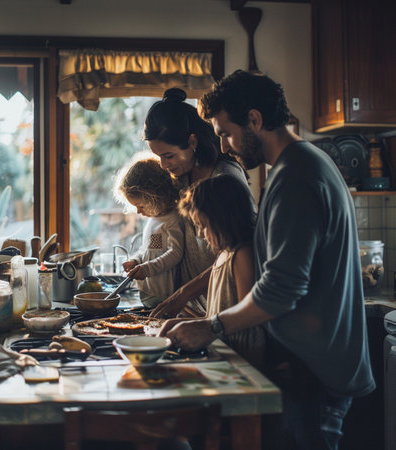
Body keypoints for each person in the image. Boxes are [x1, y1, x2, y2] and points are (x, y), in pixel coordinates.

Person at [159, 70, 375, 449]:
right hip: (312, 366)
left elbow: (280, 290)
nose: (224, 146)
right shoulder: (302, 164)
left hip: (315, 373)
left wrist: (212, 326)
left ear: (255, 120)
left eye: (225, 133)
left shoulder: (297, 177)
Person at [144, 87, 255, 317]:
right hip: (191, 307)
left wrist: (183, 293)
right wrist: (143, 257)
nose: (164, 166)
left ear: (192, 141)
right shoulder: (181, 178)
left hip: (224, 307)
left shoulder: (224, 179)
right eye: (159, 157)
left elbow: (235, 254)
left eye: (169, 156)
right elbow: (161, 227)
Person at [178, 174, 265, 368]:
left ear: (225, 218)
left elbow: (248, 317)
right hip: (224, 352)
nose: (200, 234)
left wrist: (207, 326)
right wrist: (196, 322)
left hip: (243, 358)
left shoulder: (242, 255)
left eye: (203, 226)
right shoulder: (224, 254)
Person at [115, 157, 184, 309]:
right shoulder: (154, 220)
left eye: (140, 206)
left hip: (163, 293)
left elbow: (175, 253)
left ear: (156, 196)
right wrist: (136, 261)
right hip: (148, 291)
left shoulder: (172, 221)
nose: (138, 211)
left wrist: (147, 269)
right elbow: (150, 250)